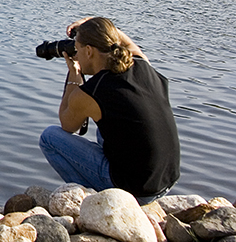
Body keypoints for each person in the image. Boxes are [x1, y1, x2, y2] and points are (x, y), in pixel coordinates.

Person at [39, 16, 179, 204]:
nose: (76, 54)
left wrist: (74, 73)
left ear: (89, 51)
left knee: (49, 138)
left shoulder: (93, 91)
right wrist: (90, 22)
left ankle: (92, 200)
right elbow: (123, 40)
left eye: (77, 49)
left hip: (137, 190)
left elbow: (67, 125)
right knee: (107, 128)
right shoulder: (141, 63)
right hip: (167, 180)